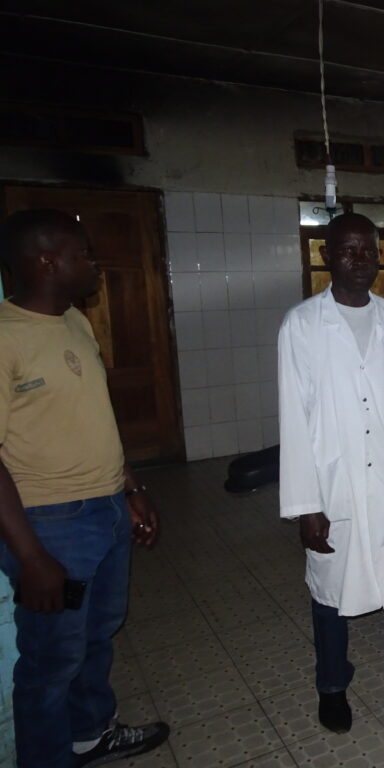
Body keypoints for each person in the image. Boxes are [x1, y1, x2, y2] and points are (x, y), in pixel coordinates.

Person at [0, 209, 169, 767]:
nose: (94, 263)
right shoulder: (5, 339)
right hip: (51, 525)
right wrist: (30, 556)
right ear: (47, 261)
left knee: (97, 634)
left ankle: (91, 732)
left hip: (106, 511)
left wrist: (130, 488)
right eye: (83, 254)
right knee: (50, 663)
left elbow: (93, 416)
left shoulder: (76, 321)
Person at [277, 212, 384, 734]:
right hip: (335, 482)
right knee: (331, 593)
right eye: (347, 250)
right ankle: (332, 686)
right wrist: (307, 505)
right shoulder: (302, 326)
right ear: (326, 256)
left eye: (368, 250)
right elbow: (295, 419)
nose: (360, 260)